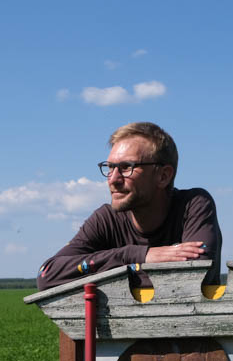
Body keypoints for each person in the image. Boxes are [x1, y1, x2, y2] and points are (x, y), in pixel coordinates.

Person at [36, 122, 221, 290]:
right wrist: (138, 256)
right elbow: (47, 275)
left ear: (163, 176)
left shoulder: (192, 205)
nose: (113, 179)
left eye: (126, 167)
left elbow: (195, 277)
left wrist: (104, 273)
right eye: (109, 167)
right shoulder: (106, 219)